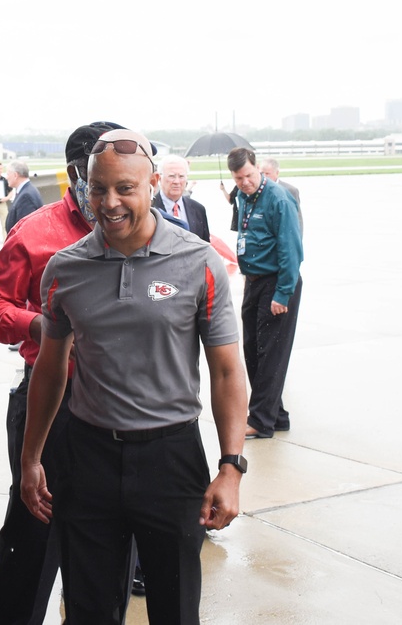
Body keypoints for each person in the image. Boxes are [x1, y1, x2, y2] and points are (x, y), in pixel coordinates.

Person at [21, 128, 248, 624]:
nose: (110, 202)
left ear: (152, 185)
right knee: (89, 609)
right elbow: (51, 368)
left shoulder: (198, 261)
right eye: (98, 188)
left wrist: (231, 467)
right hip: (89, 458)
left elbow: (227, 370)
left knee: (175, 607)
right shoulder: (65, 269)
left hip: (171, 458)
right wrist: (32, 458)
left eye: (125, 188)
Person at [0, 121, 130, 624]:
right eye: (102, 175)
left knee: (108, 546)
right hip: (52, 405)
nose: (114, 191)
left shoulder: (140, 227)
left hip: (119, 409)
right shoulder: (36, 232)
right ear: (76, 172)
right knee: (34, 537)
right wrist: (39, 327)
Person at [227, 147, 304, 439]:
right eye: (238, 178)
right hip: (254, 281)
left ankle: (260, 420)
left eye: (248, 175)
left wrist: (283, 294)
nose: (244, 182)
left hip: (277, 282)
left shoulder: (278, 198)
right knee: (253, 350)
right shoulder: (243, 197)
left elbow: (291, 250)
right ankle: (276, 414)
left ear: (257, 167)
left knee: (270, 352)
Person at [151, 154, 211, 242]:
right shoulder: (150, 209)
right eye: (172, 176)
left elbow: (205, 247)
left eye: (181, 176)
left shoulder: (198, 209)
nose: (177, 181)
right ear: (159, 178)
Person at [259, 157, 303, 236]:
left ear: (277, 173)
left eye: (267, 173)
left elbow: (297, 219)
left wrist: (298, 240)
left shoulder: (290, 190)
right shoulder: (257, 190)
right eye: (262, 173)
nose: (264, 177)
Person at [5, 160, 43, 233]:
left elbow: (26, 231)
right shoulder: (26, 190)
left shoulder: (26, 196)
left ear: (15, 175)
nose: (6, 178)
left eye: (8, 174)